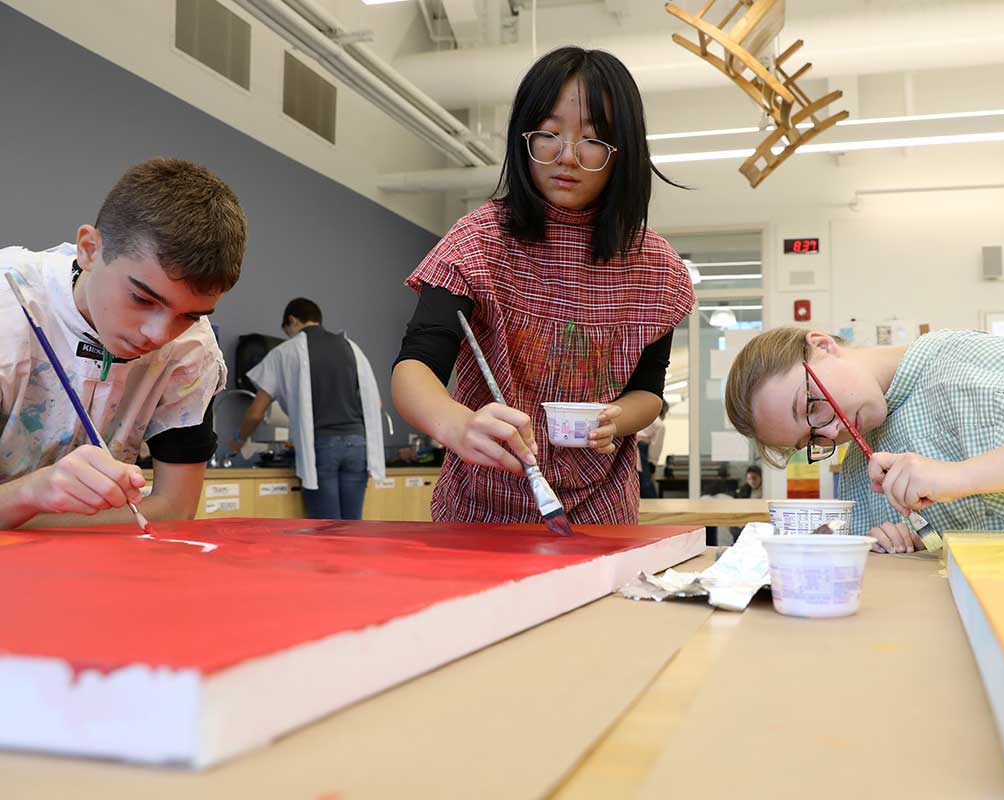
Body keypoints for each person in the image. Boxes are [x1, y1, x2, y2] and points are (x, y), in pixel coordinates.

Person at [391, 47, 694, 526]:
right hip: (479, 510)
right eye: (548, 134)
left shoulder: (653, 268)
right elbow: (414, 367)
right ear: (522, 138)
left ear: (624, 153)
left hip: (602, 513)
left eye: (592, 140)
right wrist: (459, 425)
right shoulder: (479, 241)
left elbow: (648, 391)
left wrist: (617, 419)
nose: (566, 156)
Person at [725, 328, 1004, 553]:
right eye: (810, 438)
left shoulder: (961, 361)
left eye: (810, 406)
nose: (829, 432)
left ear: (822, 345)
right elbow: (976, 534)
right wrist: (919, 546)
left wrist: (957, 478)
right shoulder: (866, 449)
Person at [0, 158, 247, 529]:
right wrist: (32, 493)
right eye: (143, 300)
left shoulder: (193, 349)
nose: (159, 335)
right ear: (89, 249)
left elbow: (177, 509)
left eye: (189, 315)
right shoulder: (10, 308)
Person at [233, 298, 386, 520]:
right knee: (353, 527)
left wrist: (238, 439)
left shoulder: (285, 352)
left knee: (326, 529)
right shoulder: (351, 348)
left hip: (322, 445)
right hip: (358, 445)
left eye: (288, 330)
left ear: (292, 320)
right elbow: (375, 403)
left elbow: (256, 412)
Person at [637, 399, 668, 499]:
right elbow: (656, 446)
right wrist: (653, 463)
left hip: (632, 446)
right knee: (647, 485)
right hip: (641, 449)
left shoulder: (642, 416)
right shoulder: (659, 424)